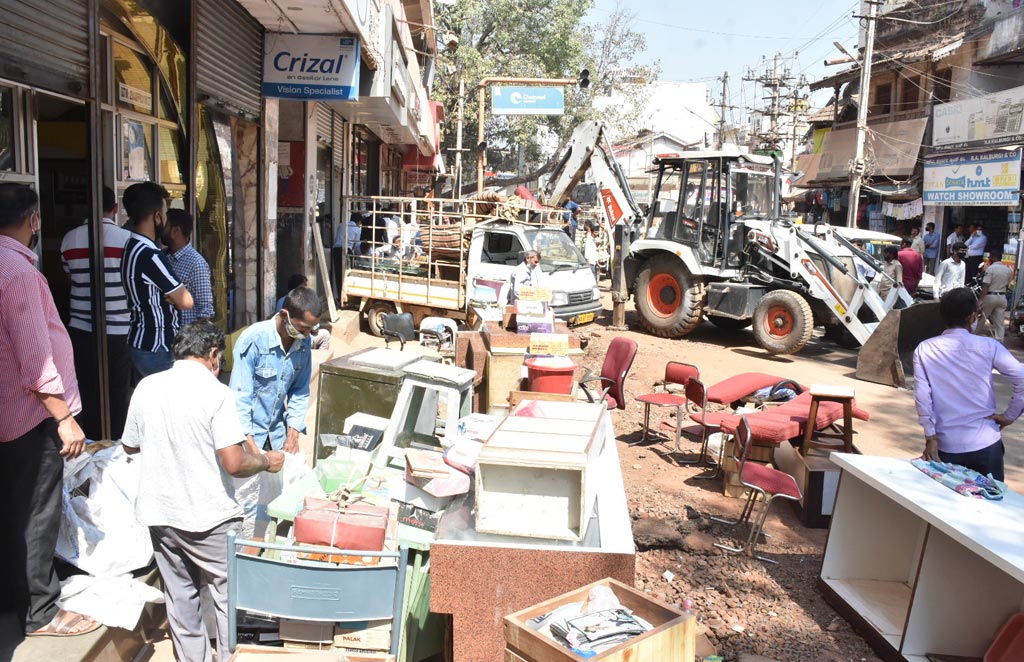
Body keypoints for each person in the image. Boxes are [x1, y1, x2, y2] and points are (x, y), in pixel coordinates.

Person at [121, 321, 284, 662]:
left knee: (180, 600)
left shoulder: (147, 388)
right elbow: (235, 463)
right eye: (219, 358)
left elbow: (130, 446)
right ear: (212, 354)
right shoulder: (217, 393)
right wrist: (266, 460)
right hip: (207, 518)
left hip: (161, 515)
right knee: (227, 598)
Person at [0, 183, 98, 638]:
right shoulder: (17, 272)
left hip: (9, 415)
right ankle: (40, 610)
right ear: (33, 220)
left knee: (12, 507)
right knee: (36, 513)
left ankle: (12, 596)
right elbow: (35, 358)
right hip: (28, 416)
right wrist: (64, 417)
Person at [914, 287, 1024, 481]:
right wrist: (1009, 416)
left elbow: (923, 397)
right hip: (987, 444)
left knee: (947, 509)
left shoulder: (925, 349)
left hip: (945, 446)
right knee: (991, 505)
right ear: (973, 317)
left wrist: (930, 437)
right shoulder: (989, 346)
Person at [60, 185, 133, 440]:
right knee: (118, 388)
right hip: (120, 327)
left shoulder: (69, 238)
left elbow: (70, 277)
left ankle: (90, 435)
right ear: (115, 209)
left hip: (80, 327)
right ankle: (117, 439)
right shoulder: (127, 241)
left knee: (86, 384)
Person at [230, 286, 321, 455]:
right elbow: (240, 397)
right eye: (302, 329)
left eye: (311, 329)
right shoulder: (253, 340)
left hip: (277, 437)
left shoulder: (303, 343)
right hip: (249, 438)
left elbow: (299, 391)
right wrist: (251, 448)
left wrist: (293, 434)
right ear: (285, 315)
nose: (307, 335)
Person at [121, 182, 193, 378]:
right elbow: (186, 301)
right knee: (168, 407)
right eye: (165, 213)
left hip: (139, 340)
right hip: (157, 345)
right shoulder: (151, 254)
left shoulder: (131, 247)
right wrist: (175, 294)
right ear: (157, 216)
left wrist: (173, 294)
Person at [164, 209, 214, 327]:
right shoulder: (162, 256)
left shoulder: (196, 264)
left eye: (165, 225)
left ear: (175, 231)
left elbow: (205, 310)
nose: (161, 228)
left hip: (183, 338)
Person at [981, 250, 1012, 342]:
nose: (989, 259)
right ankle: (1000, 344)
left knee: (981, 319)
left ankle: (972, 336)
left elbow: (986, 285)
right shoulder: (1007, 270)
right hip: (1002, 297)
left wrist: (981, 299)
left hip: (991, 296)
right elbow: (1007, 285)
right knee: (1000, 324)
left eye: (990, 257)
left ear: (993, 258)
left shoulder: (990, 269)